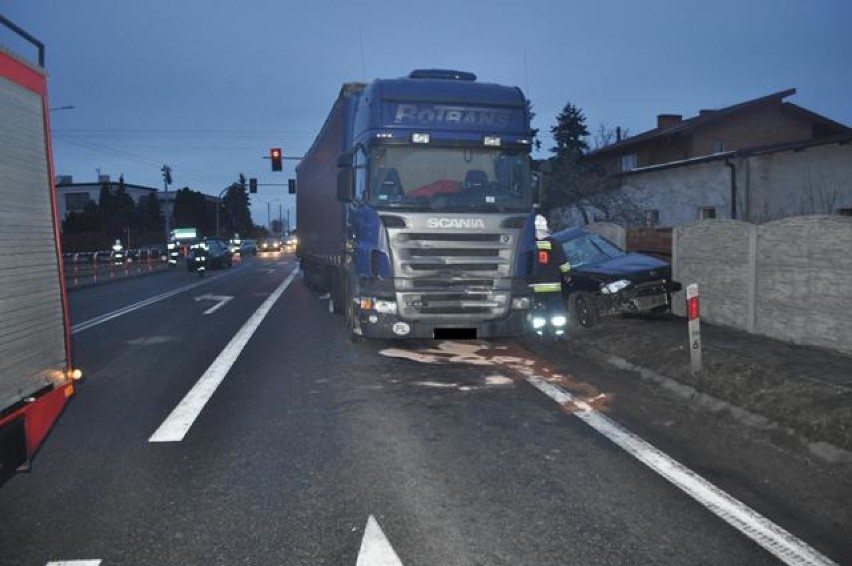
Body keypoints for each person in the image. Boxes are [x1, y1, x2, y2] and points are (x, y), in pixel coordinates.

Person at [528, 215, 571, 336]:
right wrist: (567, 274)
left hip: (534, 286)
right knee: (557, 311)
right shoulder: (554, 243)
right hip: (552, 285)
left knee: (537, 311)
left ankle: (538, 333)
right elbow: (563, 262)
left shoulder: (527, 244)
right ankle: (560, 332)